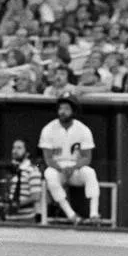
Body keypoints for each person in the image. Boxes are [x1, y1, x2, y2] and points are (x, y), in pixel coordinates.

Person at [38, 93, 101, 224]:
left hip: (75, 169)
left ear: (73, 110)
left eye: (66, 108)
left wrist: (73, 167)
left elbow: (87, 158)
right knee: (49, 173)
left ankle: (94, 214)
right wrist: (61, 168)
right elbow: (48, 158)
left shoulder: (83, 129)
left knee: (90, 172)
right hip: (58, 168)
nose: (62, 112)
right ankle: (71, 215)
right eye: (61, 108)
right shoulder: (48, 129)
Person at [6, 139, 43, 221]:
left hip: (26, 219)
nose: (15, 151)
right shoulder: (13, 170)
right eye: (14, 147)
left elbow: (36, 196)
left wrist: (16, 204)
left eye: (19, 148)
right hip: (10, 218)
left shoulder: (33, 170)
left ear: (27, 153)